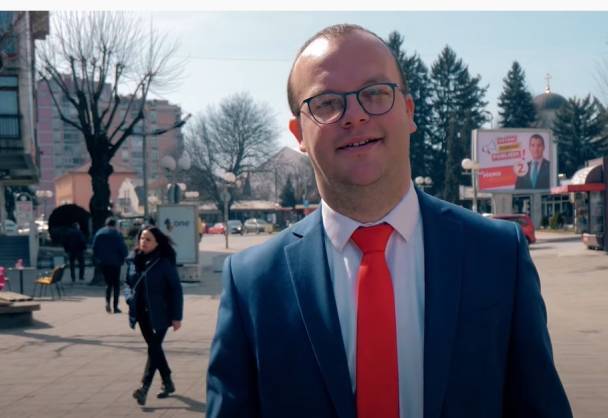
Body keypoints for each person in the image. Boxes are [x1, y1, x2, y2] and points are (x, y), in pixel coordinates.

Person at [207, 24, 572, 418]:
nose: (355, 116)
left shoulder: (498, 256)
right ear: (298, 133)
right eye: (327, 103)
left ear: (409, 111)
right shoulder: (253, 282)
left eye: (375, 93)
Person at [126, 225, 183, 406]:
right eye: (142, 238)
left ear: (157, 243)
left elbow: (176, 289)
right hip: (141, 313)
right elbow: (127, 284)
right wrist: (128, 298)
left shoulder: (164, 262)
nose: (143, 242)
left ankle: (144, 388)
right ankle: (168, 382)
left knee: (153, 348)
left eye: (148, 239)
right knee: (154, 348)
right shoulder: (133, 260)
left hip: (161, 313)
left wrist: (177, 316)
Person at [92, 217, 129, 313]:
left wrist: (98, 258)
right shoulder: (116, 234)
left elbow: (94, 247)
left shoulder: (99, 233)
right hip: (115, 263)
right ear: (114, 224)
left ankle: (107, 303)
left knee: (108, 284)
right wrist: (125, 256)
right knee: (116, 284)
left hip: (103, 262)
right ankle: (115, 307)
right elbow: (122, 247)